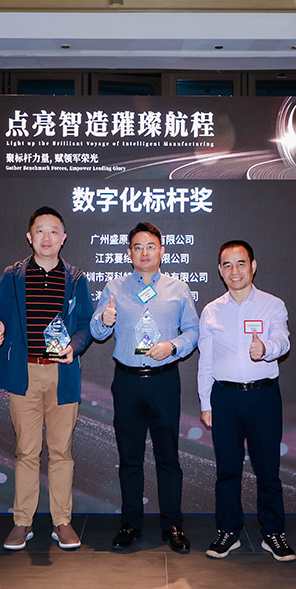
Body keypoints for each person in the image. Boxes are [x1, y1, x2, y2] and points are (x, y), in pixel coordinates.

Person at [0, 206, 93, 551]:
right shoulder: (13, 276)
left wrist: (74, 347)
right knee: (26, 452)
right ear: (30, 237)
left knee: (61, 451)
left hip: (63, 374)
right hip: (25, 374)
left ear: (63, 238)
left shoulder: (76, 278)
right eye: (40, 231)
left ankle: (62, 521)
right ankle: (23, 522)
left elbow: (86, 326)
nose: (47, 237)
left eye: (53, 231)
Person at [90, 222, 200, 553]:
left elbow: (193, 332)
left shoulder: (178, 288)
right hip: (127, 381)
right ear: (129, 253)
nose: (145, 252)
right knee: (129, 458)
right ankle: (130, 523)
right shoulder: (114, 287)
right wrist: (104, 320)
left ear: (162, 251)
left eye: (151, 246)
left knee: (168, 457)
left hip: (164, 380)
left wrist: (173, 346)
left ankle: (173, 525)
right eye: (138, 247)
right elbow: (96, 332)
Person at [197, 240, 296, 562]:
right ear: (219, 271)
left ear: (253, 266)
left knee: (268, 470)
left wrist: (266, 349)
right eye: (227, 265)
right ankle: (228, 531)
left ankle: (273, 532)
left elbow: (283, 340)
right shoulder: (211, 310)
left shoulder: (273, 304)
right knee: (227, 469)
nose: (234, 271)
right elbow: (205, 362)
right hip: (224, 397)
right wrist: (206, 403)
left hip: (263, 396)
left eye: (241, 263)